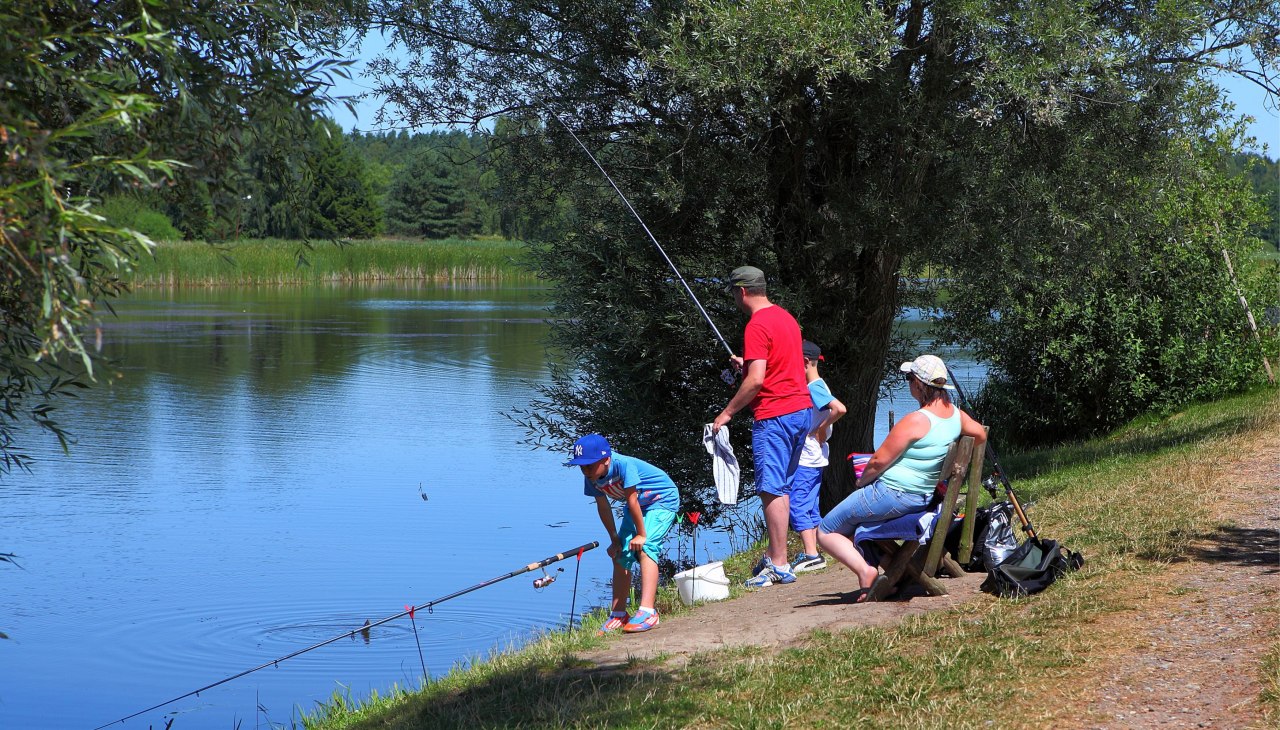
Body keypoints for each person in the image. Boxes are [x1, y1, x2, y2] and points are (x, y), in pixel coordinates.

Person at [817, 354, 986, 602]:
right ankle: (890, 569)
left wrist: (861, 482)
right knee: (853, 523)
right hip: (921, 495)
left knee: (826, 530)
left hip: (892, 494)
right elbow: (980, 434)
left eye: (909, 378)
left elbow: (877, 462)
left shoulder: (916, 420)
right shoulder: (956, 416)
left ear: (919, 384)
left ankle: (867, 573)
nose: (908, 383)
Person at [712, 266, 812, 588]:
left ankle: (779, 564)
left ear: (741, 292)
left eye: (733, 293)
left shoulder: (756, 325)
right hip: (801, 412)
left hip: (775, 416)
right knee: (782, 485)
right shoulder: (786, 318)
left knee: (772, 488)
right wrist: (748, 361)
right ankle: (777, 556)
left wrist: (726, 413)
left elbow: (756, 382)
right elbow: (778, 364)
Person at [566, 433, 679, 634]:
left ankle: (648, 611)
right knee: (620, 554)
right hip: (636, 506)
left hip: (661, 500)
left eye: (589, 465)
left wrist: (641, 535)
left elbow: (633, 500)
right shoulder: (591, 477)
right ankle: (619, 614)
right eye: (581, 467)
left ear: (606, 459)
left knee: (646, 547)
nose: (585, 471)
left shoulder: (624, 465)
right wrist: (614, 539)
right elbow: (603, 507)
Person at [789, 340, 847, 573]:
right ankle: (815, 551)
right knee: (811, 504)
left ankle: (811, 554)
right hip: (815, 457)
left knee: (797, 503)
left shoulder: (814, 386)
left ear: (804, 362)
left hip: (807, 456)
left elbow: (839, 409)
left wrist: (822, 428)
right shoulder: (817, 384)